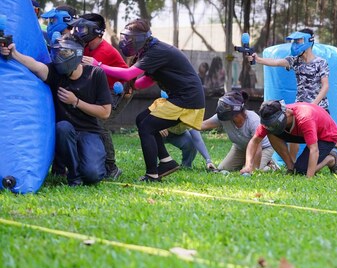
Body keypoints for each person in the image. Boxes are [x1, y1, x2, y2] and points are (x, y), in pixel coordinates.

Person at [82, 18, 205, 182]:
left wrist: (99, 65)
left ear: (140, 39)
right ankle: (166, 162)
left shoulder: (157, 51)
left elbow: (127, 74)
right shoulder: (150, 50)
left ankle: (152, 175)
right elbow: (144, 82)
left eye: (130, 39)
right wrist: (128, 86)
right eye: (125, 38)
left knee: (147, 127)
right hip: (181, 97)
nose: (126, 42)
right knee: (142, 120)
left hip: (187, 100)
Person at [1, 35, 112, 186]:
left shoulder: (95, 74)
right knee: (63, 127)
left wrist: (76, 102)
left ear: (77, 54)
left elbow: (105, 112)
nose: (59, 58)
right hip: (64, 133)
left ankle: (90, 164)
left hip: (89, 131)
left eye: (64, 53)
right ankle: (74, 176)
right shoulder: (55, 72)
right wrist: (14, 53)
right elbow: (35, 65)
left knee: (93, 175)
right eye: (57, 53)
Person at [247, 28, 328, 161]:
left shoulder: (321, 62)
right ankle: (292, 164)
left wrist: (314, 105)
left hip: (319, 108)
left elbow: (325, 86)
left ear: (309, 41)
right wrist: (258, 59)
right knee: (293, 134)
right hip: (300, 106)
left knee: (321, 138)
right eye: (294, 41)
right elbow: (277, 62)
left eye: (299, 41)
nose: (295, 44)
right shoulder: (295, 60)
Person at [241, 100, 337, 178]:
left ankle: (330, 159)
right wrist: (248, 165)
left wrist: (309, 177)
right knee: (271, 133)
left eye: (276, 124)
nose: (273, 126)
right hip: (301, 134)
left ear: (286, 114)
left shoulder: (305, 118)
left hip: (326, 136)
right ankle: (290, 167)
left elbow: (313, 149)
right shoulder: (271, 121)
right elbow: (254, 141)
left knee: (301, 171)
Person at [72, 13, 129, 180]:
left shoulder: (105, 50)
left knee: (99, 123)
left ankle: (111, 167)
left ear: (94, 31)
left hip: (117, 90)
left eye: (83, 28)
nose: (79, 31)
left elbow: (127, 74)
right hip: (101, 90)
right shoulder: (87, 46)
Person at [200, 90, 277, 172]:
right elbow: (202, 125)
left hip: (263, 147)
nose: (222, 108)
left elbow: (257, 145)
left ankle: (271, 165)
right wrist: (186, 124)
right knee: (223, 169)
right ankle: (246, 162)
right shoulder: (223, 117)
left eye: (226, 106)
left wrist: (251, 167)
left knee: (256, 171)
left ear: (236, 108)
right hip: (240, 147)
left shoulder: (253, 120)